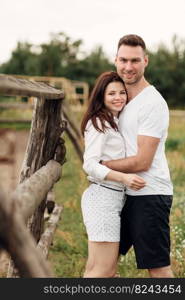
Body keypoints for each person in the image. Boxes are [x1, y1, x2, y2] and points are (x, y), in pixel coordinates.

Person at [101, 34, 174, 278]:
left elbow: (143, 161)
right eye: (123, 60)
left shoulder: (152, 103)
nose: (128, 67)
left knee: (158, 269)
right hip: (123, 192)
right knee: (103, 264)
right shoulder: (120, 99)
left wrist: (101, 166)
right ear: (115, 60)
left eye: (135, 60)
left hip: (149, 194)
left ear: (146, 61)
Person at [80, 71, 146, 278]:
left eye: (122, 93)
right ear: (101, 96)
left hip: (110, 199)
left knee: (95, 270)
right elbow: (89, 164)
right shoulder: (98, 122)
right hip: (102, 199)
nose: (118, 97)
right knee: (104, 271)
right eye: (111, 94)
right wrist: (124, 178)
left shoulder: (113, 121)